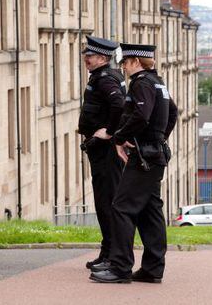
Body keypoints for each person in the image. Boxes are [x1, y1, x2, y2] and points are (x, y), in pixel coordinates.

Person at [89, 43, 178, 284]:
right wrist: (160, 137)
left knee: (121, 207)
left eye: (126, 63)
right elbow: (172, 113)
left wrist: (120, 138)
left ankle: (120, 267)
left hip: (143, 157)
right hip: (154, 154)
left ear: (136, 62)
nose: (124, 68)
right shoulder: (158, 82)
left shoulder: (141, 84)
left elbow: (141, 115)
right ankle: (152, 268)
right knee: (150, 211)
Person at [77, 36, 126, 270]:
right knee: (103, 201)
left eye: (90, 56)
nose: (86, 59)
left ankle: (112, 255)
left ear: (103, 58)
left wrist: (109, 131)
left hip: (105, 151)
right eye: (86, 55)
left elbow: (119, 105)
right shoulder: (103, 76)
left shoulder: (106, 79)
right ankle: (107, 251)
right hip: (101, 151)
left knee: (107, 202)